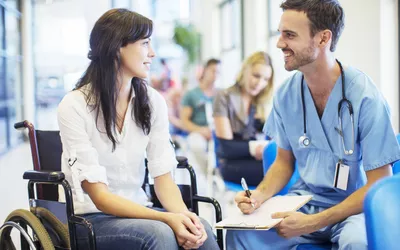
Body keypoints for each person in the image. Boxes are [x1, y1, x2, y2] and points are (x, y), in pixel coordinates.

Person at [227, 0, 400, 249]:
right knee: (240, 234)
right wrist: (259, 195)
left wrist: (315, 222)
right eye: (280, 34)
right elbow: (283, 163)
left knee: (358, 242)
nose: (279, 43)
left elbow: (378, 183)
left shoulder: (365, 97)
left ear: (323, 39)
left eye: (290, 35)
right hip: (304, 204)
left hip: (353, 208)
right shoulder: (287, 94)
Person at [57, 9, 219, 250]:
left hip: (140, 212)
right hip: (89, 219)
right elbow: (100, 198)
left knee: (201, 229)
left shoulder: (153, 102)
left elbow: (163, 179)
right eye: (145, 43)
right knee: (159, 234)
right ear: (116, 47)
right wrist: (166, 218)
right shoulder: (75, 105)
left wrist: (186, 218)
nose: (152, 53)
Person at [212, 51, 274, 186]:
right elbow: (227, 148)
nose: (259, 83)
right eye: (256, 76)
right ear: (245, 70)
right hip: (230, 165)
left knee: (286, 167)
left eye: (265, 79)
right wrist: (256, 148)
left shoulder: (260, 102)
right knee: (279, 173)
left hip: (252, 160)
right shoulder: (224, 97)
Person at [180, 59, 221, 177]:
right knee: (196, 144)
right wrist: (201, 130)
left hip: (217, 132)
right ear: (205, 71)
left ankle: (221, 176)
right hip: (198, 132)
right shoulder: (191, 94)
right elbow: (184, 121)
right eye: (213, 71)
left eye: (218, 72)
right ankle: (212, 175)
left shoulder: (221, 94)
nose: (215, 75)